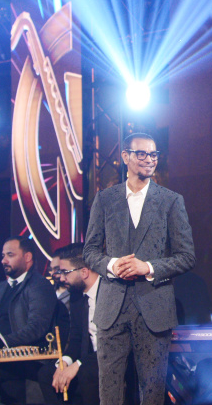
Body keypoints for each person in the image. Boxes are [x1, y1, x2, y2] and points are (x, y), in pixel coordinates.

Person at [84, 132, 196, 405]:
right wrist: (112, 264)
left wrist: (147, 267)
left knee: (152, 392)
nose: (149, 159)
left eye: (154, 154)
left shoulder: (171, 200)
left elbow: (186, 256)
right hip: (111, 309)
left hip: (154, 308)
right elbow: (89, 251)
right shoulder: (105, 199)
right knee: (109, 393)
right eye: (142, 154)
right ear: (125, 157)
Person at [0, 237, 66, 405]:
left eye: (10, 255)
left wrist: (0, 342)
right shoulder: (0, 288)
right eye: (3, 256)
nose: (3, 260)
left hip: (24, 360)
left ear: (27, 257)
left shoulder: (39, 285)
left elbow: (36, 328)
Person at [39, 243, 100, 405]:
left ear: (84, 272)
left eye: (65, 272)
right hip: (87, 357)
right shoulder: (76, 295)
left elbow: (112, 343)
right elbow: (76, 338)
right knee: (47, 373)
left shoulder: (110, 293)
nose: (62, 278)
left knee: (86, 372)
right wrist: (64, 363)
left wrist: (78, 364)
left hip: (109, 356)